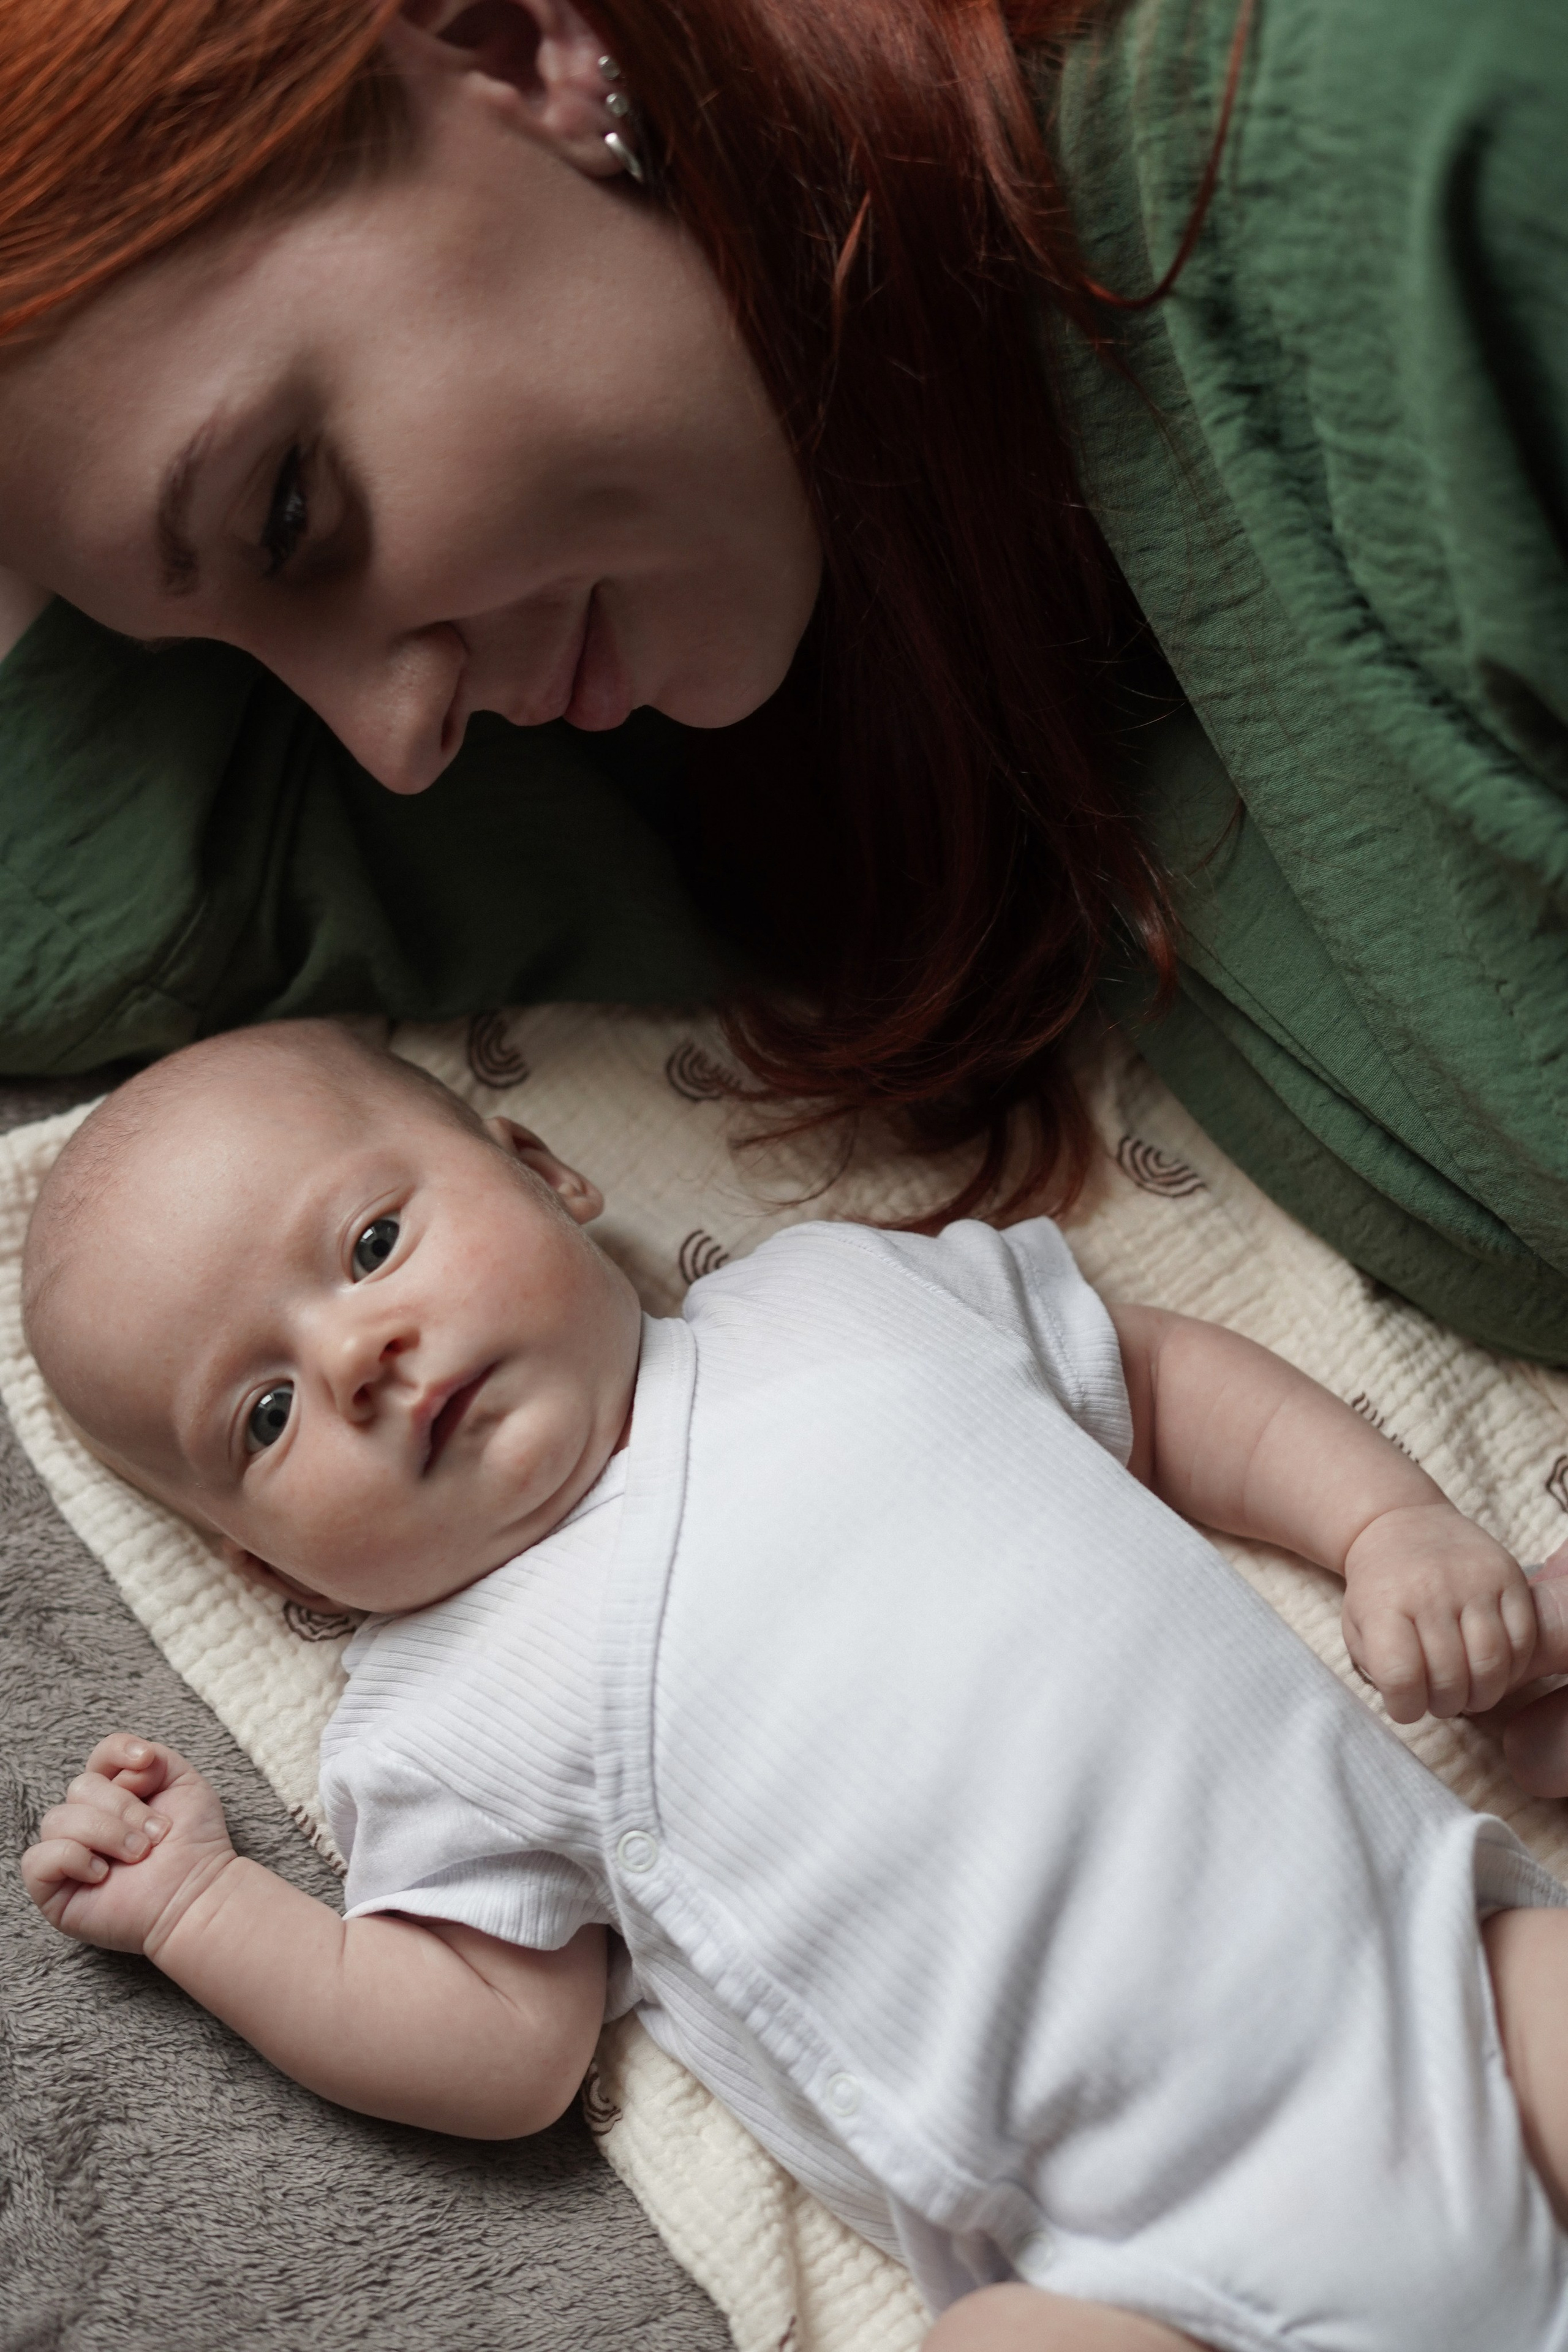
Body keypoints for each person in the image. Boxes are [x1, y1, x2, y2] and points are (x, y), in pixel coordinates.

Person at [0, 0, 1563, 1356]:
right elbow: (73, 889)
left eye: (288, 514)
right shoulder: (786, 686)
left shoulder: (1419, 152)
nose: (397, 738)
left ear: (521, 47)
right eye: (230, 659)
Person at [20, 1017, 1568, 2352]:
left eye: (371, 1246)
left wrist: (1382, 1523)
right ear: (268, 1571)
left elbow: (1152, 1382)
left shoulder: (840, 1296)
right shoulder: (442, 1709)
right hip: (1129, 2269)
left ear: (541, 1170)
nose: (357, 1356)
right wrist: (204, 1910)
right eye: (266, 1413)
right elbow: (501, 2049)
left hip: (1440, 1985)